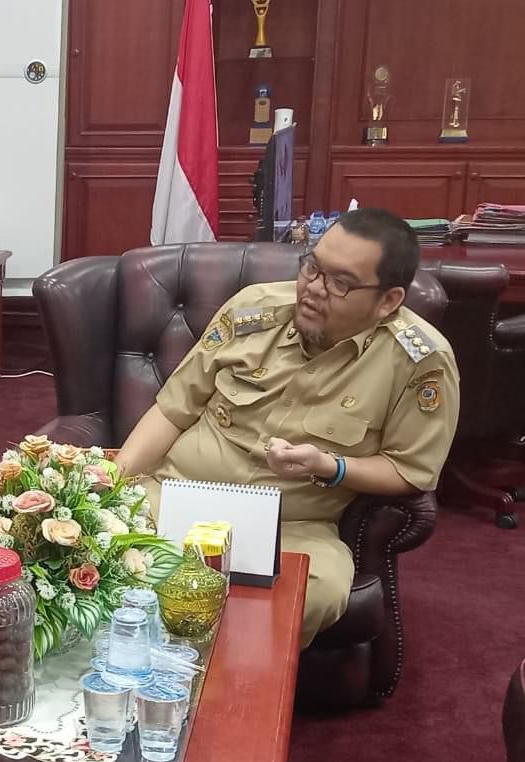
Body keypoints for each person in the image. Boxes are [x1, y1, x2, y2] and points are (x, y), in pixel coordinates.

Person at [116, 208, 460, 647]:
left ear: (388, 301)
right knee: (90, 543)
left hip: (290, 526)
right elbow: (173, 410)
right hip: (176, 496)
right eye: (312, 267)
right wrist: (112, 481)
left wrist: (330, 466)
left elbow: (410, 471)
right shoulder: (252, 309)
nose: (313, 288)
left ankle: (226, 677)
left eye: (340, 283)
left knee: (320, 590)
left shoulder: (420, 361)